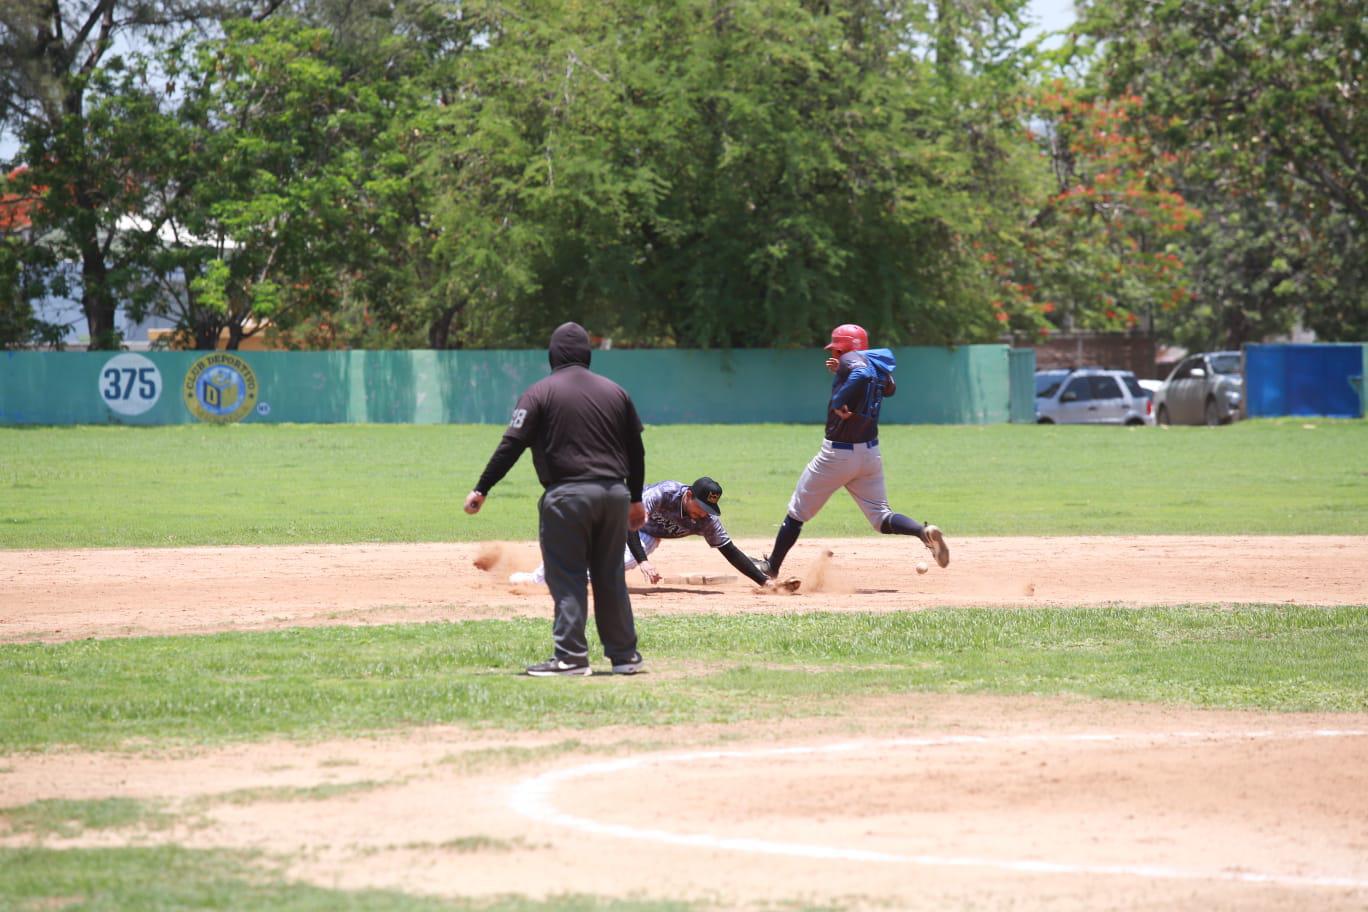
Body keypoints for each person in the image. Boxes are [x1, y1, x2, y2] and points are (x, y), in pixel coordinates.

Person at [464, 322, 647, 677]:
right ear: (587, 354)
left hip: (567, 496)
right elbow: (636, 450)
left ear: (552, 355)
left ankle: (571, 657)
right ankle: (625, 656)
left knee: (567, 576)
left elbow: (511, 446)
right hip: (613, 495)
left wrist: (482, 488)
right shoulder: (616, 393)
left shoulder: (539, 393)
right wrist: (636, 498)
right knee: (609, 575)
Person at [758, 323, 949, 581]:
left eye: (837, 349)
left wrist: (838, 400)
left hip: (837, 456)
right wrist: (843, 373)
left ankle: (772, 567)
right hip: (869, 454)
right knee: (881, 517)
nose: (836, 355)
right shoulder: (875, 365)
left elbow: (859, 375)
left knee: (797, 511)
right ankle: (921, 532)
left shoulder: (852, 361)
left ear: (842, 347)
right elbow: (887, 387)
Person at [509, 476, 793, 590]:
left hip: (647, 532)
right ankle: (536, 577)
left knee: (620, 563)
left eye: (710, 508)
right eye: (702, 505)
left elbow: (730, 551)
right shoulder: (665, 493)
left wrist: (763, 583)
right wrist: (645, 561)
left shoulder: (707, 520)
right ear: (689, 495)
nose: (705, 512)